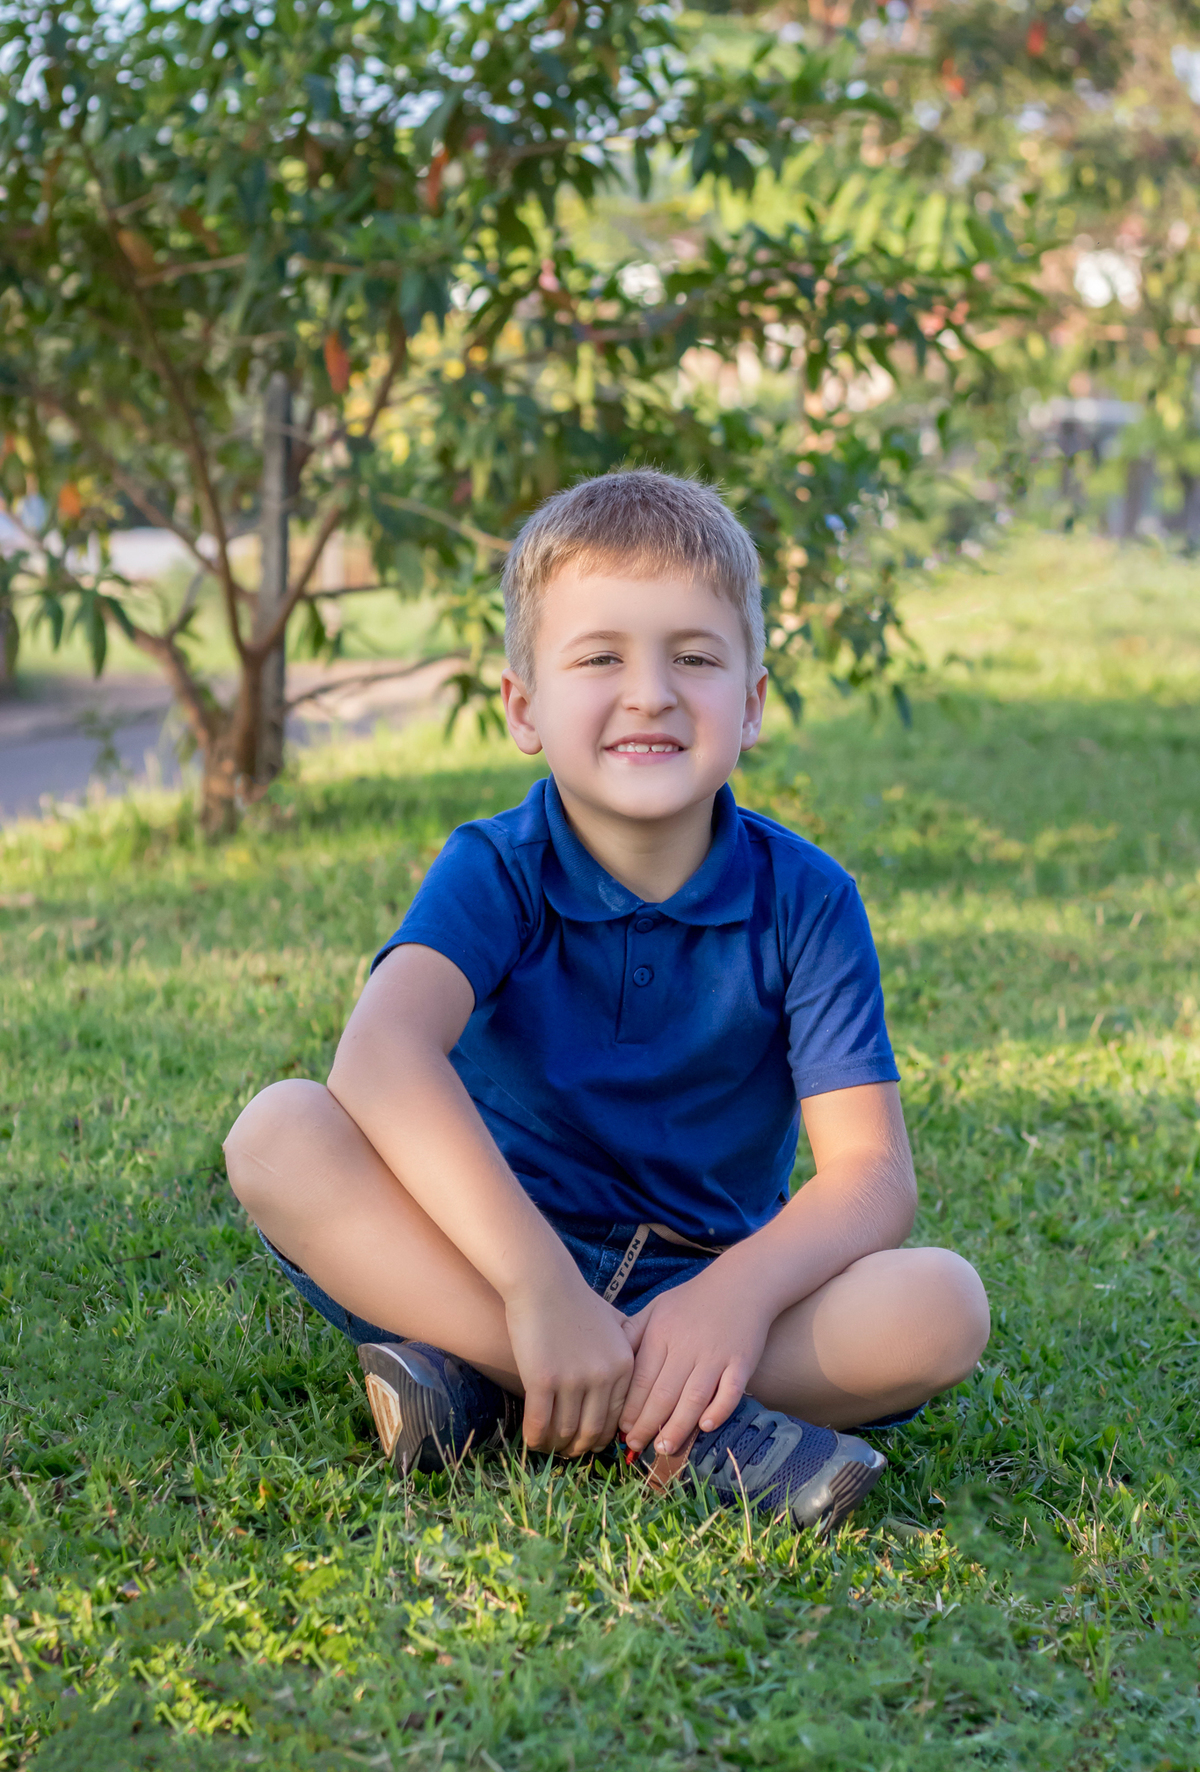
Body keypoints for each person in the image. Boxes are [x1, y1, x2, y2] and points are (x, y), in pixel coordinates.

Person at [224, 470, 990, 1534]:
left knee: (942, 1306)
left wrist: (737, 1297)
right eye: (600, 657)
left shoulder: (808, 899)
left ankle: (488, 1394)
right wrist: (542, 1291)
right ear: (524, 705)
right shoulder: (496, 868)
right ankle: (680, 1426)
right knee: (278, 1134)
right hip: (490, 1252)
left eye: (694, 657)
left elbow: (870, 1179)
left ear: (753, 702)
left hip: (703, 1290)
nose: (650, 693)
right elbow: (380, 1057)